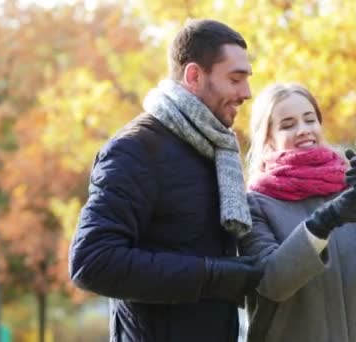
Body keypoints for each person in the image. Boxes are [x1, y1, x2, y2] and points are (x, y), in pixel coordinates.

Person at [68, 19, 265, 342]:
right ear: (193, 76)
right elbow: (91, 261)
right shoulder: (135, 150)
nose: (246, 93)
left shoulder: (216, 150)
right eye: (235, 79)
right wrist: (211, 275)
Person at [240, 83, 356, 342]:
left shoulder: (352, 185)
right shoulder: (254, 204)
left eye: (310, 119)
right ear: (267, 138)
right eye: (288, 124)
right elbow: (273, 282)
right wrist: (322, 224)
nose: (304, 130)